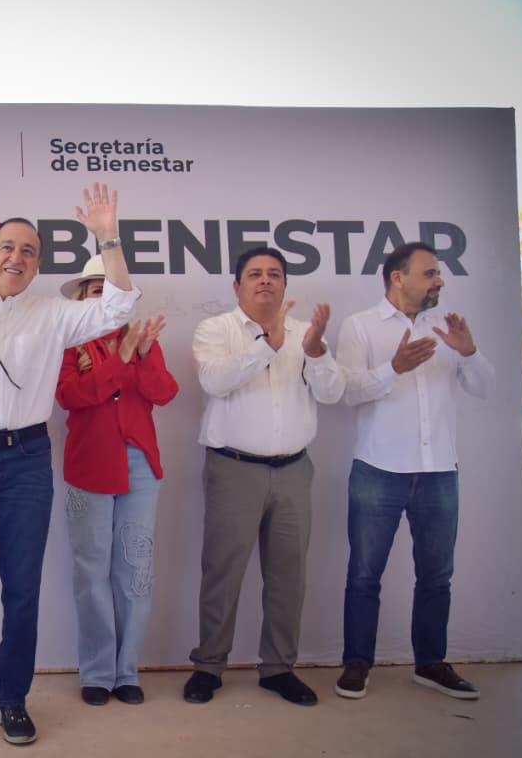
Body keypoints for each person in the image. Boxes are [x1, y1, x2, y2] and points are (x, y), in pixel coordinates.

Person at [0, 183, 137, 745]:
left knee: (21, 588)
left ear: (37, 264)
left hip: (27, 461)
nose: (17, 257)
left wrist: (108, 236)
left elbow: (119, 306)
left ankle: (12, 699)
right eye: (7, 247)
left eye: (29, 251)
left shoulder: (56, 314)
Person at [184, 247, 343, 707]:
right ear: (237, 286)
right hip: (234, 469)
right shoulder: (215, 330)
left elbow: (331, 393)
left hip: (293, 470)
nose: (266, 280)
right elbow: (214, 381)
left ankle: (278, 669)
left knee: (288, 575)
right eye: (255, 274)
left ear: (285, 285)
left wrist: (317, 354)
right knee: (223, 572)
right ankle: (208, 666)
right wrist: (266, 345)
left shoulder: (306, 334)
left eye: (275, 274)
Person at [334, 242, 494, 700]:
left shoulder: (447, 328)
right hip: (378, 469)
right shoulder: (361, 326)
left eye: (438, 273)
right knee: (364, 575)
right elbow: (347, 392)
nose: (439, 281)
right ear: (398, 277)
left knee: (437, 576)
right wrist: (393, 368)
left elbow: (485, 388)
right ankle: (357, 663)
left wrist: (469, 352)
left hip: (439, 470)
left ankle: (431, 663)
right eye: (429, 273)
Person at [55, 256, 177, 706]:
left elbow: (164, 392)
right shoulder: (68, 342)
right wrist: (119, 361)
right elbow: (69, 396)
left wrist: (140, 355)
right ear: (83, 298)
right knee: (91, 570)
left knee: (135, 570)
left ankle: (127, 672)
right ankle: (97, 672)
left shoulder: (141, 339)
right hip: (88, 466)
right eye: (95, 288)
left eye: (110, 289)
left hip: (140, 466)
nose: (104, 295)